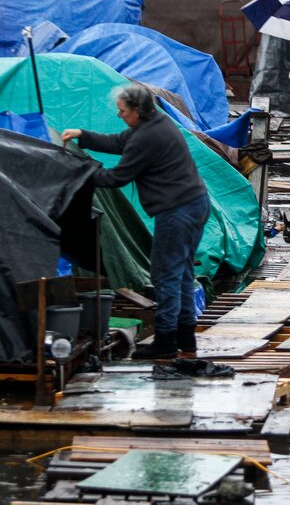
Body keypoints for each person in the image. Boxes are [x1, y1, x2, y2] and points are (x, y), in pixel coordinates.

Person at [61, 83, 209, 360]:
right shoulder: (156, 122)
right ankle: (186, 341)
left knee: (165, 276)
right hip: (195, 204)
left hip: (177, 211)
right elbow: (120, 142)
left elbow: (118, 177)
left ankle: (166, 340)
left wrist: (78, 174)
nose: (119, 115)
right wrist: (83, 136)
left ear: (138, 111)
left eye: (122, 111)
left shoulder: (147, 138)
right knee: (183, 275)